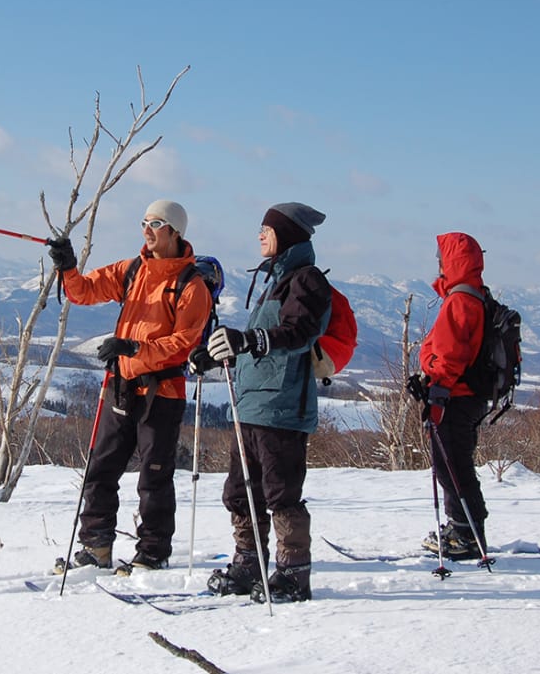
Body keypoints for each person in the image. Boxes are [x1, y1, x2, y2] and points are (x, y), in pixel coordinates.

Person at [47, 200, 213, 573]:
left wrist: (136, 349)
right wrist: (68, 266)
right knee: (101, 468)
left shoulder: (191, 286)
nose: (147, 230)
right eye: (144, 222)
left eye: (156, 223)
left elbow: (184, 342)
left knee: (153, 475)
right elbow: (84, 292)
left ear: (175, 231)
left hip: (163, 392)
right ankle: (96, 548)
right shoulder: (132, 270)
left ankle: (152, 553)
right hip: (121, 385)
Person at [196, 202, 331, 603]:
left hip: (284, 406)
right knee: (242, 490)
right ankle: (248, 562)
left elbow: (299, 331)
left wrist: (251, 340)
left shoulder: (305, 281)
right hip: (253, 403)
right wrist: (219, 353)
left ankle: (292, 574)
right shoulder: (274, 280)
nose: (259, 235)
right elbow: (258, 341)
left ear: (287, 234)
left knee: (281, 492)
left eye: (266, 229)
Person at [418, 232, 490, 561]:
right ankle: (463, 528)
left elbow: (449, 354)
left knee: (452, 465)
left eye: (440, 259)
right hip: (464, 394)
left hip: (454, 396)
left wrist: (434, 386)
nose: (437, 265)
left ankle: (466, 533)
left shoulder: (460, 300)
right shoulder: (475, 295)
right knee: (456, 461)